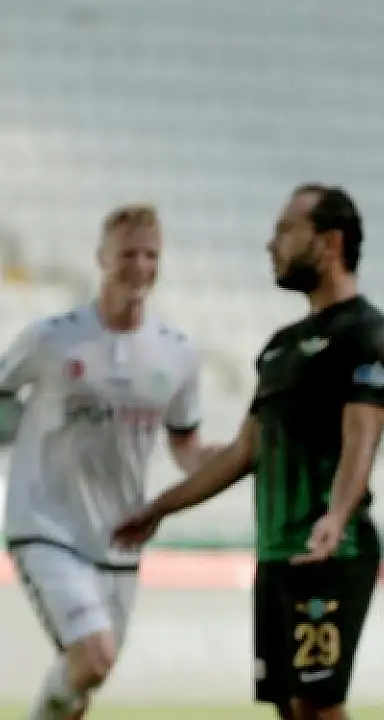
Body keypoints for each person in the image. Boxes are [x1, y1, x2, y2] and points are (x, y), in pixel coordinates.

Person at [113, 184, 384, 720]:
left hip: (330, 553)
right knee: (291, 710)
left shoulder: (368, 336)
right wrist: (159, 507)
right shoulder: (280, 348)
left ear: (329, 242)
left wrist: (336, 517)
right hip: (275, 555)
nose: (271, 245)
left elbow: (361, 438)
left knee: (317, 708)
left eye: (285, 231)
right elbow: (242, 453)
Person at [0, 205, 219, 720]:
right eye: (128, 254)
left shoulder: (177, 353)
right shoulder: (51, 339)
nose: (140, 266)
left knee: (85, 679)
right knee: (93, 655)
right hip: (46, 525)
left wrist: (243, 458)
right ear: (101, 258)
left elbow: (187, 447)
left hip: (119, 537)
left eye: (151, 255)